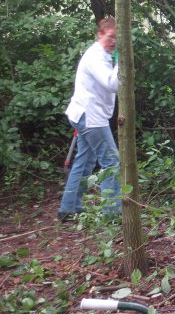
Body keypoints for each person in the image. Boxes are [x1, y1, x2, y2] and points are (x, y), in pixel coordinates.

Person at [57, 18, 121, 221]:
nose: (114, 41)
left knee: (84, 162)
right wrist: (122, 61)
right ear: (100, 34)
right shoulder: (96, 56)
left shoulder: (102, 55)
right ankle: (113, 213)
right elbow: (112, 83)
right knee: (111, 162)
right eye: (111, 36)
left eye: (117, 38)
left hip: (86, 115)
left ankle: (68, 209)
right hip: (90, 118)